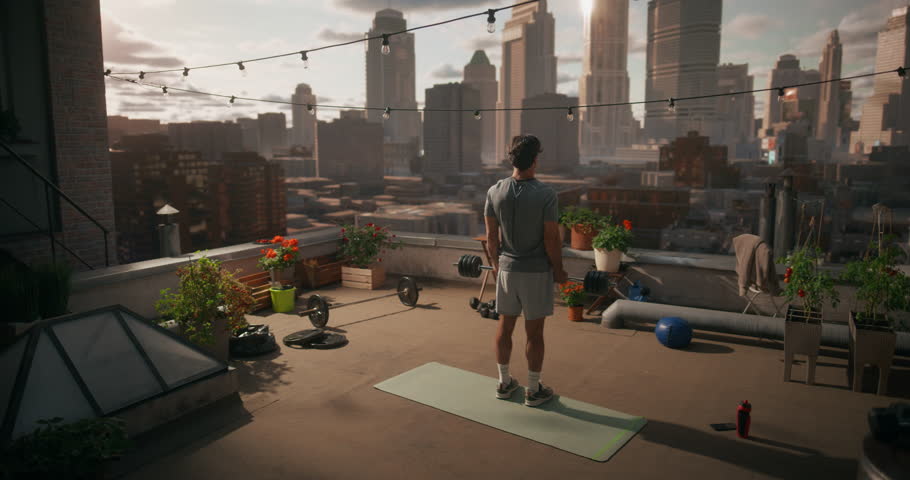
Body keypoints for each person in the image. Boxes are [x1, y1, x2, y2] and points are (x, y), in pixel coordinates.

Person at [483, 134, 568, 407]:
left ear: (512, 160)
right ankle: (533, 390)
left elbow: (491, 238)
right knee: (534, 334)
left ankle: (504, 383)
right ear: (534, 160)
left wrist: (498, 267)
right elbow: (551, 239)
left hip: (507, 269)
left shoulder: (494, 191)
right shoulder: (545, 194)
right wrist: (559, 271)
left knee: (504, 327)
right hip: (535, 272)